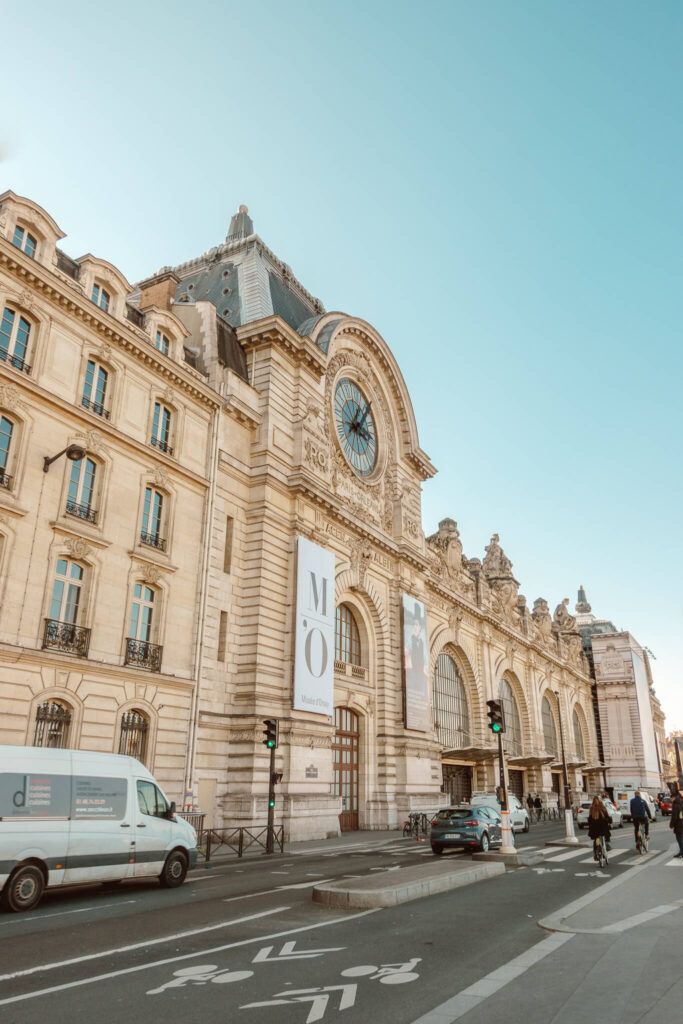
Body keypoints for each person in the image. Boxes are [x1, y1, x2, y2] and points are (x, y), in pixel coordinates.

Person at [669, 789, 683, 859]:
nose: (670, 800)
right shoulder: (681, 802)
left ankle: (682, 852)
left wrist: (671, 825)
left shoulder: (675, 805)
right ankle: (681, 852)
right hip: (681, 823)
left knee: (679, 839)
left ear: (673, 797)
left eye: (671, 798)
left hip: (678, 824)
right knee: (681, 838)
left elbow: (674, 816)